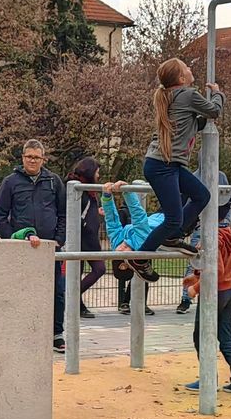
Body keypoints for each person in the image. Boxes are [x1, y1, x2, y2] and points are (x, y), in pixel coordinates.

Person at [138, 57, 220, 256]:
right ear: (182, 78)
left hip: (167, 165)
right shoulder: (188, 95)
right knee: (173, 218)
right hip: (162, 165)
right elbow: (214, 111)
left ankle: (175, 235)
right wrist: (217, 93)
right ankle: (141, 257)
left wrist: (202, 123)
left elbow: (190, 125)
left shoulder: (174, 97)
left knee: (201, 195)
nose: (190, 67)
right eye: (187, 67)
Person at [0, 140, 67, 351]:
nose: (32, 161)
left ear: (43, 159)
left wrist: (59, 239)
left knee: (57, 291)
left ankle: (56, 333)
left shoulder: (54, 182)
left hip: (49, 248)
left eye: (36, 157)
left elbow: (63, 213)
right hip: (22, 248)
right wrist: (13, 240)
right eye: (29, 157)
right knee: (21, 290)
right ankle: (23, 331)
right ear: (23, 158)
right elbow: (0, 216)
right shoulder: (10, 182)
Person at [181, 193, 231, 395]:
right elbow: (220, 267)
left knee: (200, 335)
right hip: (229, 290)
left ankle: (208, 378)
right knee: (225, 335)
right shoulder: (228, 232)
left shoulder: (213, 238)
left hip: (216, 293)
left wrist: (196, 288)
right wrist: (196, 277)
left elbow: (215, 270)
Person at [100, 185, 162, 314]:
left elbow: (111, 220)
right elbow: (139, 217)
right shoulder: (140, 244)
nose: (122, 249)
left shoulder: (116, 241)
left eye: (119, 253)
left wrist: (106, 197)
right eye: (125, 254)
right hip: (175, 220)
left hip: (158, 216)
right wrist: (127, 191)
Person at [178, 171, 231, 314]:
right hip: (201, 223)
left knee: (214, 260)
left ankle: (196, 293)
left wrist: (225, 221)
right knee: (196, 259)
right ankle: (186, 298)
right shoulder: (194, 176)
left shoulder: (220, 176)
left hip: (217, 223)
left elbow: (227, 198)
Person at [66, 156, 105, 318]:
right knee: (98, 269)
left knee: (81, 273)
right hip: (83, 239)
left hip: (87, 238)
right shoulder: (79, 190)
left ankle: (75, 301)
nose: (98, 176)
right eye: (97, 172)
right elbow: (76, 214)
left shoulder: (89, 191)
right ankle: (73, 299)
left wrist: (97, 215)